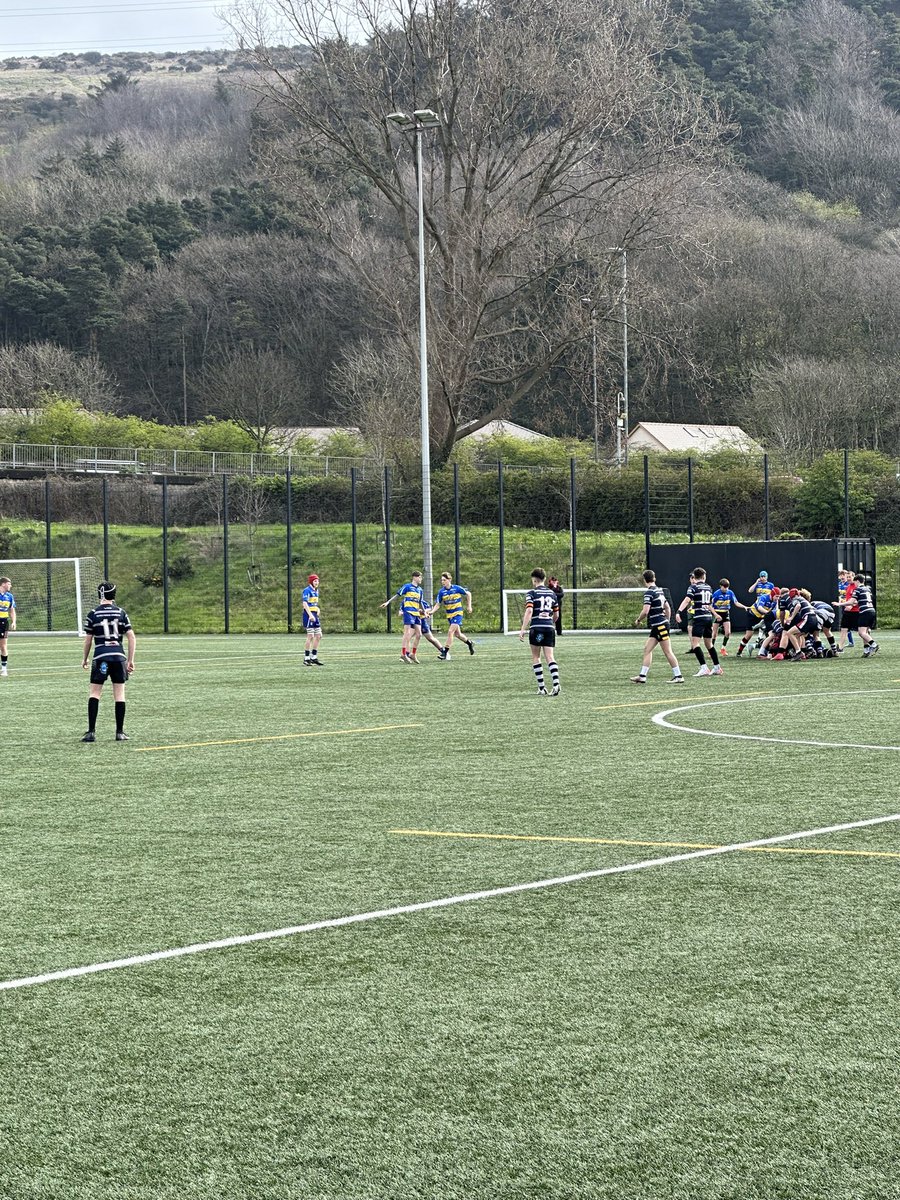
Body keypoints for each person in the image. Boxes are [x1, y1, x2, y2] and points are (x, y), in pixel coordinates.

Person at [81, 581, 135, 742]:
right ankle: (119, 732)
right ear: (114, 595)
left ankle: (91, 732)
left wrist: (85, 658)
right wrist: (130, 660)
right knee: (119, 694)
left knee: (95, 693)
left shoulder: (93, 614)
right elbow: (131, 636)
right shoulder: (121, 613)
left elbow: (88, 640)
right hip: (119, 657)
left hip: (100, 658)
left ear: (100, 594)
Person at [631, 569, 684, 684]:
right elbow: (667, 608)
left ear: (645, 580)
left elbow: (645, 611)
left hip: (659, 626)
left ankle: (678, 676)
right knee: (647, 649)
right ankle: (642, 676)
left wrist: (638, 620)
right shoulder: (660, 591)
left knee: (668, 651)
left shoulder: (649, 593)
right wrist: (668, 621)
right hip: (659, 626)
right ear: (654, 578)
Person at [518, 568, 561, 695]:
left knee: (536, 657)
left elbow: (529, 611)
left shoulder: (531, 593)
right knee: (550, 656)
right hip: (549, 627)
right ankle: (556, 684)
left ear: (534, 580)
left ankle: (542, 688)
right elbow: (556, 615)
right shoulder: (552, 594)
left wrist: (522, 629)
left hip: (536, 628)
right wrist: (549, 622)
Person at [675, 567, 722, 677]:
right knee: (709, 644)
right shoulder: (709, 587)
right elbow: (709, 604)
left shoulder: (693, 587)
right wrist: (715, 614)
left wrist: (678, 611)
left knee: (695, 643)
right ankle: (717, 667)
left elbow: (687, 600)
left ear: (694, 577)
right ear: (704, 577)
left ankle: (704, 668)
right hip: (708, 618)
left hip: (699, 617)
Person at [380, 571, 424, 663]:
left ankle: (413, 654)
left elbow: (420, 602)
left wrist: (424, 612)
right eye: (420, 577)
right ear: (414, 577)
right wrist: (387, 602)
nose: (421, 579)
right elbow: (397, 595)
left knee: (419, 634)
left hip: (416, 613)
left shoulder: (420, 590)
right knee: (407, 633)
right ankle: (403, 654)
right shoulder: (407, 586)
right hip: (408, 611)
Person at [434, 572, 474, 660]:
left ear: (449, 580)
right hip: (450, 615)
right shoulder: (442, 592)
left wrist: (469, 606)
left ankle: (445, 652)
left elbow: (468, 594)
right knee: (458, 634)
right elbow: (438, 604)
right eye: (442, 580)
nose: (443, 582)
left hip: (458, 613)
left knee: (450, 631)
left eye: (444, 580)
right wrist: (432, 612)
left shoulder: (456, 588)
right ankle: (470, 643)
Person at [710, 578, 747, 655]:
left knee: (728, 632)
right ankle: (711, 650)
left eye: (727, 587)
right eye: (724, 587)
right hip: (717, 613)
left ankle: (723, 648)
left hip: (726, 613)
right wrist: (716, 615)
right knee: (714, 633)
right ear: (721, 586)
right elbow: (710, 606)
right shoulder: (716, 594)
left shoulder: (730, 593)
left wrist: (744, 607)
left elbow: (736, 602)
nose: (726, 589)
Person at [848, 574, 879, 657]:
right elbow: (863, 600)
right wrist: (856, 603)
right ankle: (866, 650)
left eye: (854, 582)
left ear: (857, 581)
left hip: (865, 612)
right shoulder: (867, 589)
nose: (854, 584)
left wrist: (839, 604)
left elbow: (850, 602)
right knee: (866, 632)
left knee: (861, 633)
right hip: (871, 610)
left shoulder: (858, 589)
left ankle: (874, 645)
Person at [302, 573, 323, 666]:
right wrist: (310, 615)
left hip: (314, 615)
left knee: (318, 635)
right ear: (311, 581)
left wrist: (317, 609)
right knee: (310, 635)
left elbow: (313, 603)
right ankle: (306, 658)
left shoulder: (316, 591)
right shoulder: (307, 590)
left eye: (317, 581)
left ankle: (313, 657)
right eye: (315, 581)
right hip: (308, 615)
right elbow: (305, 604)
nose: (317, 582)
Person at [0, 576, 16, 677]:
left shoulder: (9, 596)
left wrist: (13, 621)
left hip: (3, 623)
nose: (10, 586)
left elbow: (12, 610)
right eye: (9, 584)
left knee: (3, 646)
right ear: (3, 584)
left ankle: (4, 670)